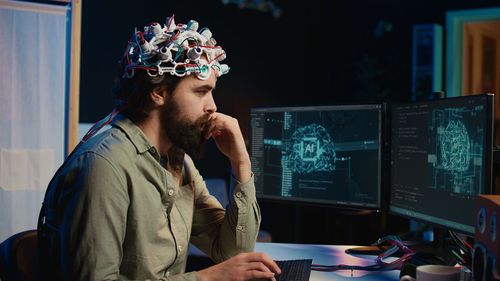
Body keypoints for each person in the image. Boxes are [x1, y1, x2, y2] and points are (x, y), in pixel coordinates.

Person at [37, 15, 281, 281]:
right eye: (200, 92)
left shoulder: (178, 160)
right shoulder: (104, 166)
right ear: (159, 92)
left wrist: (240, 163)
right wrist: (206, 278)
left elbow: (233, 251)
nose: (212, 106)